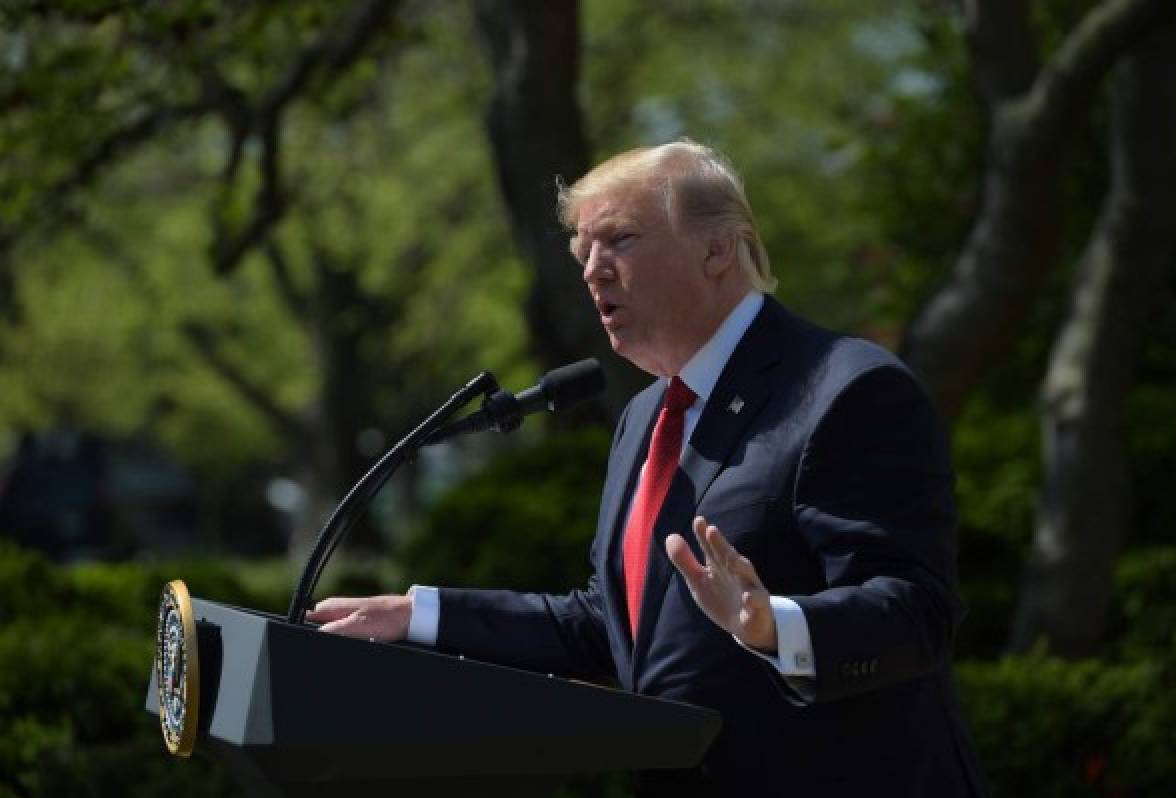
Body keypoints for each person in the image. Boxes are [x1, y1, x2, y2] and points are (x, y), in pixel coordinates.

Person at [308, 139, 986, 796]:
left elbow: (915, 612)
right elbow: (612, 624)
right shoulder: (643, 420)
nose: (592, 270)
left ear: (717, 250)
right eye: (583, 251)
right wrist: (417, 615)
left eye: (621, 240)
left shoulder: (845, 388)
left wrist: (775, 624)